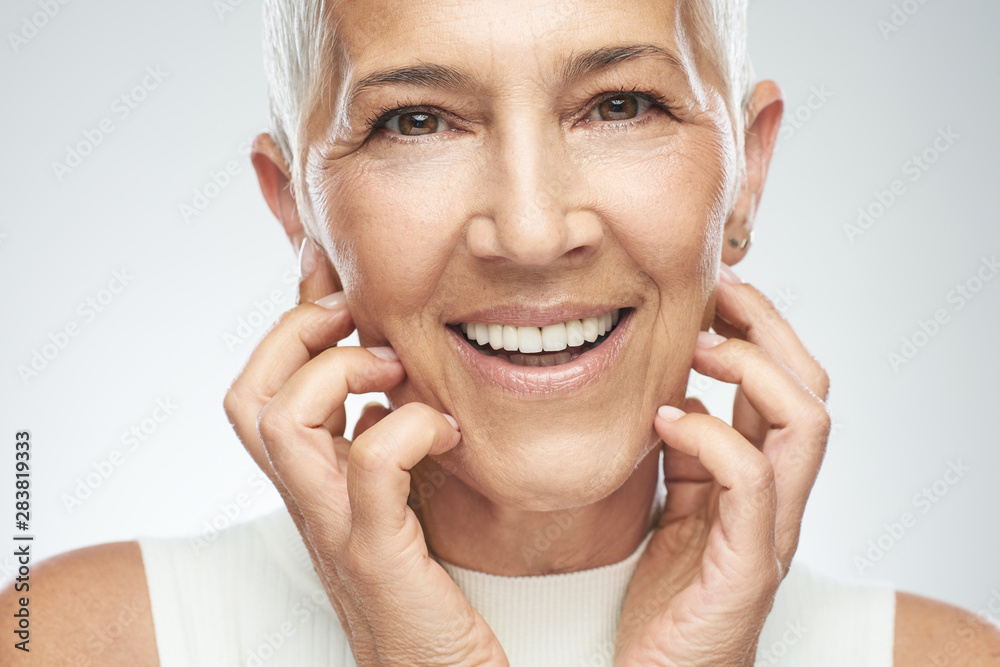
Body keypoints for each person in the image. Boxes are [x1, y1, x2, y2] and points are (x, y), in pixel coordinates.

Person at [5, 0, 999, 665]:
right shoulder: (63, 640)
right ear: (297, 208)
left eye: (619, 105)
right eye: (417, 121)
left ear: (747, 175)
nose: (529, 231)